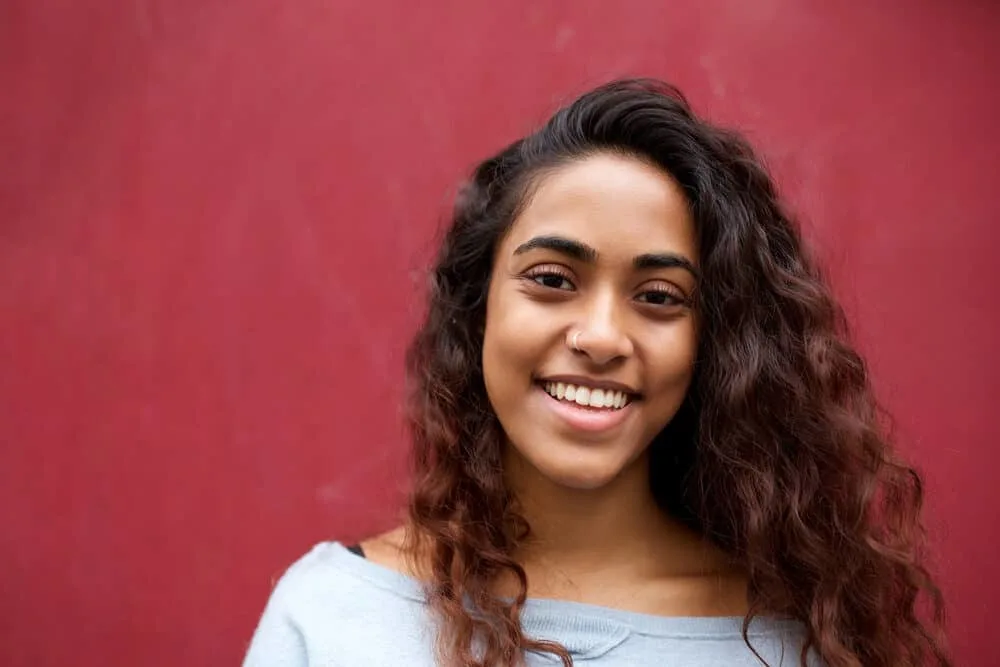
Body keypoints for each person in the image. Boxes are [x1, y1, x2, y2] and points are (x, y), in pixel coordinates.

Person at [242, 79, 950, 666]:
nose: (603, 336)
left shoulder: (794, 640)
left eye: (659, 297)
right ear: (478, 307)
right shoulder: (333, 617)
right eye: (552, 278)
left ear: (716, 342)